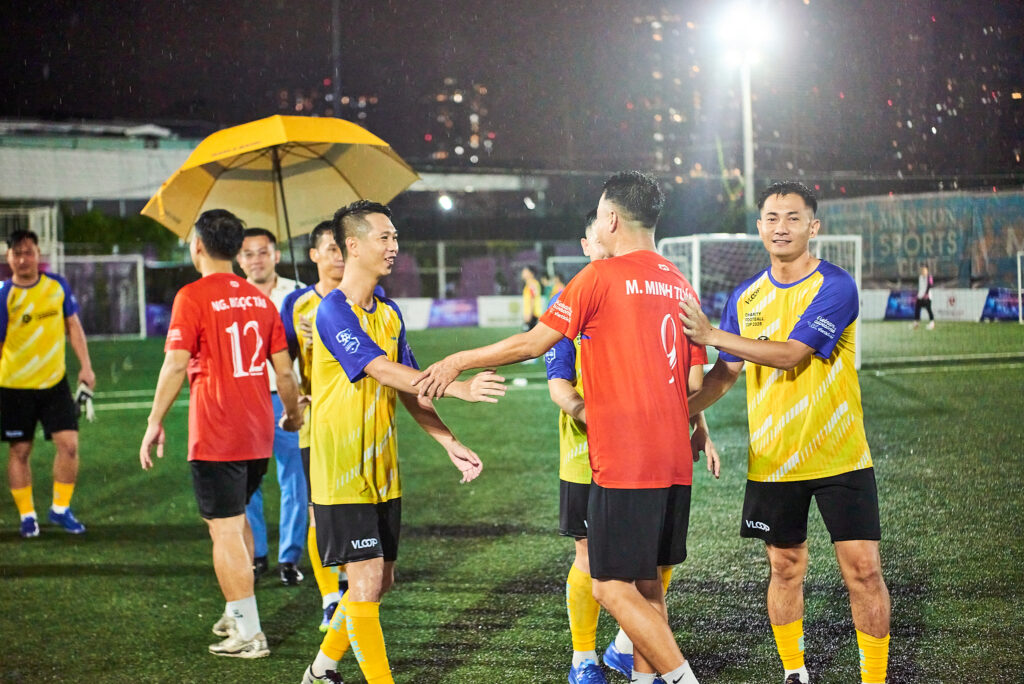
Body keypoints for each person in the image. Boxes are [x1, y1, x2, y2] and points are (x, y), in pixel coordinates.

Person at [415, 171, 712, 684]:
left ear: (612, 219)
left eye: (599, 216)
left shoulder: (598, 277)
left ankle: (683, 679)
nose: (597, 225)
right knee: (648, 588)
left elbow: (533, 343)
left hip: (625, 460)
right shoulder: (679, 283)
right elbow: (694, 380)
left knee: (609, 587)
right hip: (673, 457)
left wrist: (458, 360)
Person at [679, 181, 891, 684]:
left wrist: (711, 335)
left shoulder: (835, 286)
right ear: (759, 227)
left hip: (842, 457)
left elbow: (794, 353)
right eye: (772, 217)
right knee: (785, 568)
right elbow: (725, 374)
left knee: (863, 570)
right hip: (774, 460)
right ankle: (795, 672)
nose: (781, 227)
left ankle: (874, 677)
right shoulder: (745, 297)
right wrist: (680, 413)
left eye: (793, 218)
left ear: (813, 227)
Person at [301, 200, 505, 684]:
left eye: (395, 238)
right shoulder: (332, 312)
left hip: (383, 471)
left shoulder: (389, 313)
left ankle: (319, 670)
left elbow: (409, 385)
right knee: (366, 582)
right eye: (384, 238)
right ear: (352, 246)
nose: (394, 247)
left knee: (380, 581)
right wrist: (458, 386)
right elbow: (379, 368)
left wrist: (447, 440)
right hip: (342, 471)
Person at [139, 209, 304, 659]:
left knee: (226, 530)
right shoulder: (260, 300)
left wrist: (154, 421)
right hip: (256, 430)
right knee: (235, 522)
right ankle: (237, 611)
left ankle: (250, 632)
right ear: (234, 249)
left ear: (197, 245)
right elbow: (284, 373)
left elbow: (175, 364)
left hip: (217, 430)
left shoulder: (192, 296)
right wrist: (290, 415)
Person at [1, 229, 95, 538]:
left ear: (38, 255)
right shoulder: (4, 295)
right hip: (14, 387)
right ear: (9, 257)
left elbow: (73, 326)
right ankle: (27, 515)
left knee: (69, 446)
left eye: (28, 252)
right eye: (17, 253)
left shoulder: (57, 286)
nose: (23, 258)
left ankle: (60, 509)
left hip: (55, 384)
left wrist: (86, 367)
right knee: (20, 451)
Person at [280, 221, 348, 631]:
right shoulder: (296, 303)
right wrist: (295, 395)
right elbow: (282, 361)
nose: (338, 254)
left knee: (355, 510)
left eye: (343, 247)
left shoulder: (367, 298)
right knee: (317, 512)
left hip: (358, 422)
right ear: (314, 256)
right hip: (316, 423)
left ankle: (348, 579)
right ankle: (329, 598)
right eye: (330, 248)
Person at [236, 227, 307, 585]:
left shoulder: (298, 295)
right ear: (238, 259)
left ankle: (289, 557)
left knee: (295, 478)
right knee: (248, 481)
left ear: (276, 254)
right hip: (246, 399)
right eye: (248, 253)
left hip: (287, 396)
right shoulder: (231, 298)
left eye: (262, 252)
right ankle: (256, 552)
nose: (255, 259)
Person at [912, 264, 935, 330]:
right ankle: (916, 323)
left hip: (927, 297)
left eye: (924, 270)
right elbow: (921, 287)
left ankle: (932, 323)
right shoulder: (920, 277)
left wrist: (926, 294)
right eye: (922, 270)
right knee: (917, 309)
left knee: (929, 309)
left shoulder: (929, 277)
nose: (923, 271)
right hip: (920, 296)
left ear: (927, 270)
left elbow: (930, 285)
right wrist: (918, 295)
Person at [521, 264, 543, 331]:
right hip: (531, 314)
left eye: (525, 271)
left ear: (531, 273)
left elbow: (532, 299)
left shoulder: (532, 284)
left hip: (532, 315)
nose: (523, 273)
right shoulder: (529, 284)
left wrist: (529, 314)